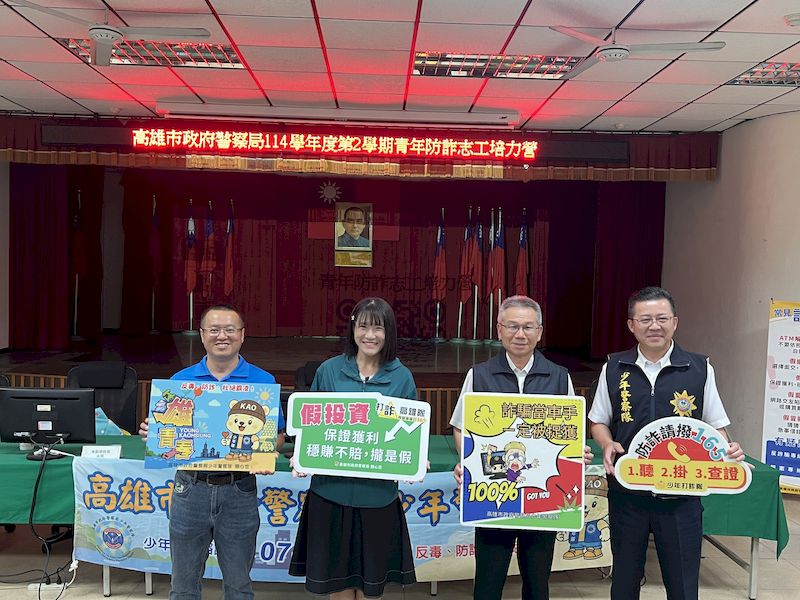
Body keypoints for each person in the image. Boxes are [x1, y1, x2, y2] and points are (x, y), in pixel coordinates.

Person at [588, 286, 745, 600]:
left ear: (675, 322)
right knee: (624, 581)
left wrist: (727, 449)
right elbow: (599, 421)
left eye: (662, 318)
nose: (654, 326)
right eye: (645, 319)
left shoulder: (699, 368)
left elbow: (715, 426)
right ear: (631, 325)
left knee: (683, 584)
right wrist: (606, 443)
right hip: (628, 492)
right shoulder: (614, 367)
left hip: (681, 495)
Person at [138, 304, 285, 600]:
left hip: (239, 490)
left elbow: (278, 437)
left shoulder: (263, 382)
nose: (222, 336)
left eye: (230, 330)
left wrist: (266, 450)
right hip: (190, 489)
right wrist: (153, 433)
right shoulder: (179, 382)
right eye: (214, 330)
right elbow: (167, 431)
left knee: (239, 585)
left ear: (242, 334)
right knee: (183, 586)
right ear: (202, 335)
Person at [451, 295, 584, 600]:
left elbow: (570, 434)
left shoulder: (559, 377)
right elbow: (460, 427)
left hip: (542, 497)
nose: (520, 334)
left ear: (539, 331)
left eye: (527, 327)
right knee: (488, 581)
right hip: (494, 494)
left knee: (537, 582)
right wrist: (468, 461)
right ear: (499, 329)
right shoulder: (479, 374)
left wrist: (575, 452)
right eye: (512, 326)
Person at [289, 297, 417, 599]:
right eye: (363, 326)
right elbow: (309, 426)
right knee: (339, 586)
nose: (370, 335)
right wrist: (301, 453)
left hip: (378, 498)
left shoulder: (402, 377)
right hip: (330, 495)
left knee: (371, 587)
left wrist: (414, 458)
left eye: (378, 328)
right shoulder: (329, 371)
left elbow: (411, 431)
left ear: (389, 332)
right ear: (353, 328)